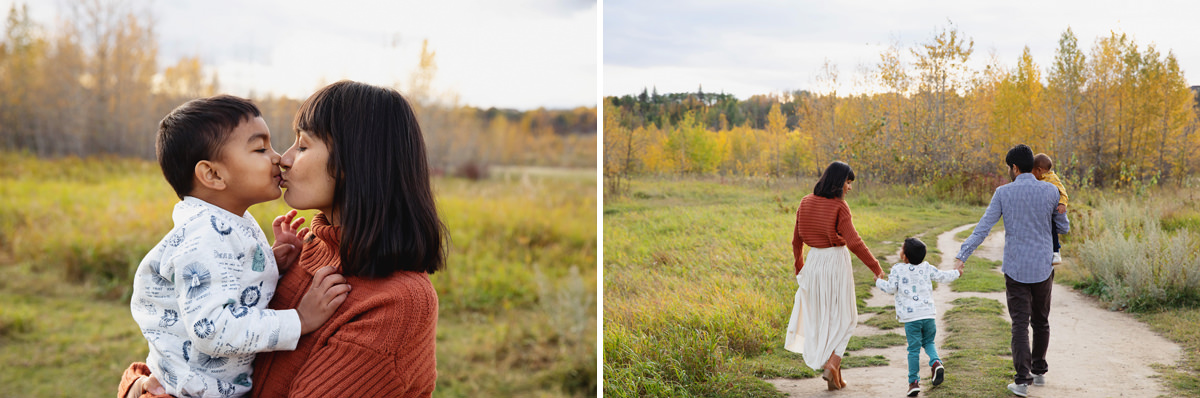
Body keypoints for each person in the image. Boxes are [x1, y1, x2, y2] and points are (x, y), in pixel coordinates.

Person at [120, 81, 447, 397]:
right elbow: (197, 348)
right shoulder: (300, 255)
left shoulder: (397, 305)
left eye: (302, 146)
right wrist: (139, 386)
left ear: (353, 162)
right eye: (266, 148)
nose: (283, 159)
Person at [123, 95, 350, 397]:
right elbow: (211, 327)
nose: (278, 158)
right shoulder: (203, 236)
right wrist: (300, 320)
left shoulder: (227, 222)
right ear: (213, 174)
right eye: (260, 148)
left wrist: (268, 263)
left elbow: (225, 284)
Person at [953, 144, 1069, 397]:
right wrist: (1060, 212)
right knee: (1041, 320)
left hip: (1016, 267)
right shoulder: (1052, 190)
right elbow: (1063, 227)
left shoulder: (1003, 193)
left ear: (1015, 168)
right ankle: (1038, 373)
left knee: (1019, 323)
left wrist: (962, 255)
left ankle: (1021, 380)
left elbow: (983, 227)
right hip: (1043, 265)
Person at [785, 161, 885, 391]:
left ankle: (835, 381)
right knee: (847, 317)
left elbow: (796, 239)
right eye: (848, 182)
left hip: (814, 262)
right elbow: (854, 242)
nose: (849, 187)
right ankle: (832, 365)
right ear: (839, 182)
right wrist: (876, 267)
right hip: (835, 261)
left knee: (824, 318)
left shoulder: (805, 201)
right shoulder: (840, 207)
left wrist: (799, 265)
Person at [875, 237, 963, 397]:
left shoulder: (897, 269)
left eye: (902, 248)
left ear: (905, 256)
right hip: (928, 315)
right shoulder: (927, 268)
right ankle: (936, 362)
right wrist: (957, 272)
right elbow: (943, 276)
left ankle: (913, 382)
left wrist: (878, 281)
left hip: (911, 319)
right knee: (929, 342)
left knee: (913, 350)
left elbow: (890, 288)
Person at [1031, 153, 1069, 265]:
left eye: (1032, 170)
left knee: (1052, 228)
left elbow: (1063, 192)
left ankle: (1056, 252)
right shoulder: (1038, 178)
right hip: (1040, 211)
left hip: (1052, 210)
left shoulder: (1052, 179)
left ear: (1039, 170)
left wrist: (1062, 204)